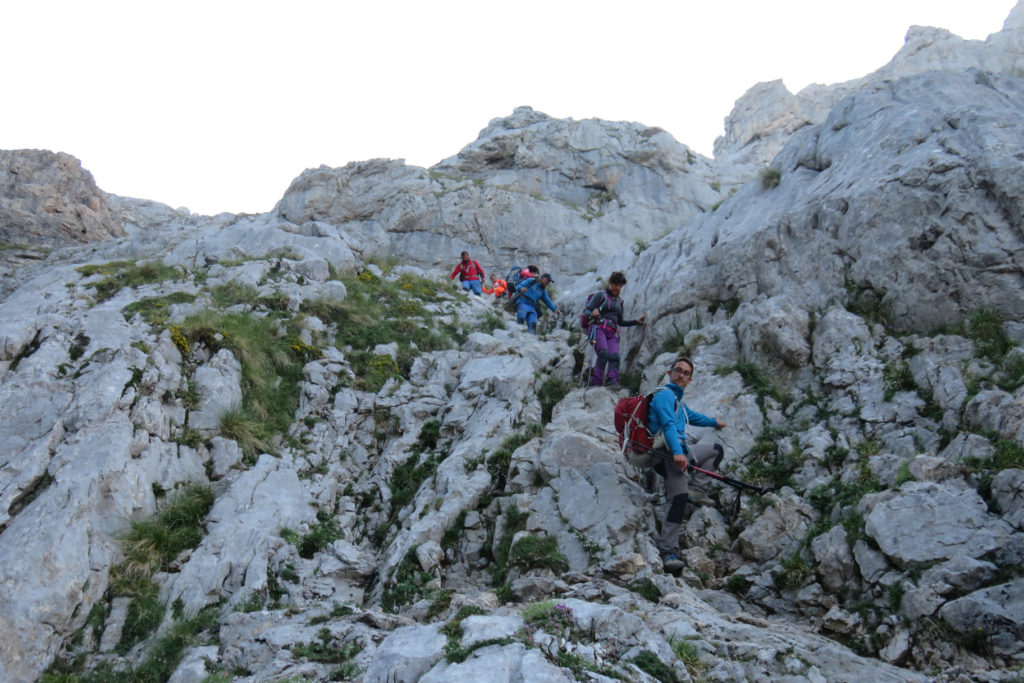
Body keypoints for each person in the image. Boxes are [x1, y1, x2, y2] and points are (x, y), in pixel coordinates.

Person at [639, 357, 727, 572]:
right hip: (666, 454)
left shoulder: (678, 401)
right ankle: (668, 550)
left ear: (690, 379)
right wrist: (678, 453)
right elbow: (668, 425)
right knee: (677, 498)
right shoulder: (664, 395)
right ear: (669, 373)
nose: (681, 375)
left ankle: (695, 491)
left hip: (679, 452)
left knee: (716, 451)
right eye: (678, 370)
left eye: (686, 373)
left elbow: (693, 417)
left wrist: (715, 422)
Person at [585, 271, 646, 388]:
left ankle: (612, 382)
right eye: (616, 284)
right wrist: (592, 313)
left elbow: (620, 322)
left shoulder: (620, 302)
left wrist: (636, 322)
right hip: (598, 328)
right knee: (604, 354)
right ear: (610, 283)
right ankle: (595, 383)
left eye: (620, 286)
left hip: (612, 333)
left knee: (615, 356)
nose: (618, 288)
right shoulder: (601, 295)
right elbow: (587, 311)